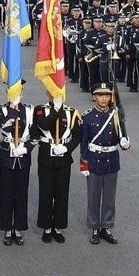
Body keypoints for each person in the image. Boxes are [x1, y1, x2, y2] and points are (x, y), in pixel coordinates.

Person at [79, 84, 130, 245]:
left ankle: (106, 227)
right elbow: (84, 143)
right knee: (93, 196)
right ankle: (94, 227)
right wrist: (84, 163)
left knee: (109, 197)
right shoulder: (86, 117)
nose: (103, 98)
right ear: (94, 97)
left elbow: (121, 134)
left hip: (111, 159)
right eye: (100, 95)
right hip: (94, 159)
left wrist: (124, 142)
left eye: (106, 95)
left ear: (110, 97)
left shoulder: (116, 114)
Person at [32, 93, 79, 242]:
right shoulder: (40, 109)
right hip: (46, 156)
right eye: (52, 93)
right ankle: (46, 227)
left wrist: (67, 148)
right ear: (47, 93)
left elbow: (78, 135)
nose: (55, 96)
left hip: (63, 157)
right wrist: (57, 109)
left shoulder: (72, 112)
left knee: (61, 193)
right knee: (46, 193)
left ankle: (58, 227)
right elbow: (44, 125)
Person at [0, 90, 33, 245]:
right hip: (7, 156)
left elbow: (35, 134)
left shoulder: (29, 109)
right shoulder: (0, 109)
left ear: (22, 93)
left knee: (22, 193)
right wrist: (13, 108)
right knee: (7, 193)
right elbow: (3, 124)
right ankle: (7, 228)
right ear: (7, 93)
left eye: (18, 91)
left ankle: (18, 228)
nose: (16, 94)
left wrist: (27, 148)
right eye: (13, 91)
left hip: (23, 155)